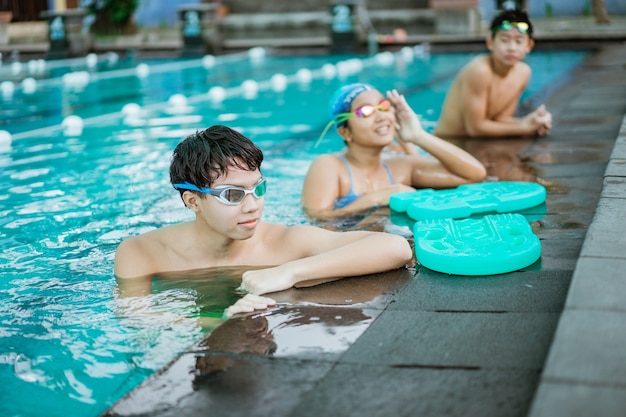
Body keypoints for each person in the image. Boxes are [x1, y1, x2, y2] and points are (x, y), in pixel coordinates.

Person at [114, 125, 413, 317]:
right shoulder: (141, 253)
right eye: (232, 194)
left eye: (258, 188)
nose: (253, 205)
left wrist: (288, 272)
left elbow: (395, 247)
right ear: (193, 201)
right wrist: (219, 320)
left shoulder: (283, 242)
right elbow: (140, 323)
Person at [301, 84, 486, 219]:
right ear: (345, 132)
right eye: (365, 112)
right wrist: (376, 198)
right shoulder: (329, 166)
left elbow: (474, 174)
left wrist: (419, 136)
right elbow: (317, 219)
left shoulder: (400, 165)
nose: (381, 116)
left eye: (384, 106)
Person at [434, 9, 552, 139]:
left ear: (529, 46)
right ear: (490, 42)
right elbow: (475, 129)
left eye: (519, 41)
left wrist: (532, 122)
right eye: (504, 40)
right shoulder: (480, 71)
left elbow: (501, 118)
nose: (511, 48)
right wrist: (525, 128)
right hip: (448, 143)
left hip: (476, 143)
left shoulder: (523, 73)